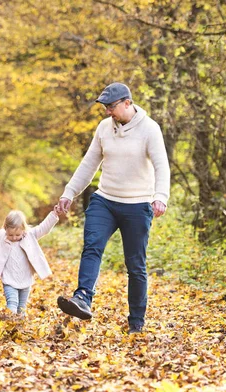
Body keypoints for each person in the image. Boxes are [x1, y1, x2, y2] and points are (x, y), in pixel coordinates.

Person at [55, 82, 170, 334]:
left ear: (127, 103)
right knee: (92, 246)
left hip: (137, 204)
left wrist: (160, 196)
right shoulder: (104, 129)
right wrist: (69, 193)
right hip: (105, 200)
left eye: (112, 106)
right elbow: (89, 164)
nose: (108, 112)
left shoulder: (150, 129)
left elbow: (162, 165)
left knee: (135, 265)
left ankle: (136, 322)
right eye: (105, 107)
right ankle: (83, 298)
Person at [0, 208, 59, 315]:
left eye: (17, 235)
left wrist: (54, 214)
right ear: (5, 229)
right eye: (10, 235)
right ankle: (10, 324)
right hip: (9, 280)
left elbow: (44, 228)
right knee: (12, 303)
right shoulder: (0, 236)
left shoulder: (30, 235)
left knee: (22, 308)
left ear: (23, 229)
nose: (14, 238)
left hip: (26, 280)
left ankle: (20, 328)